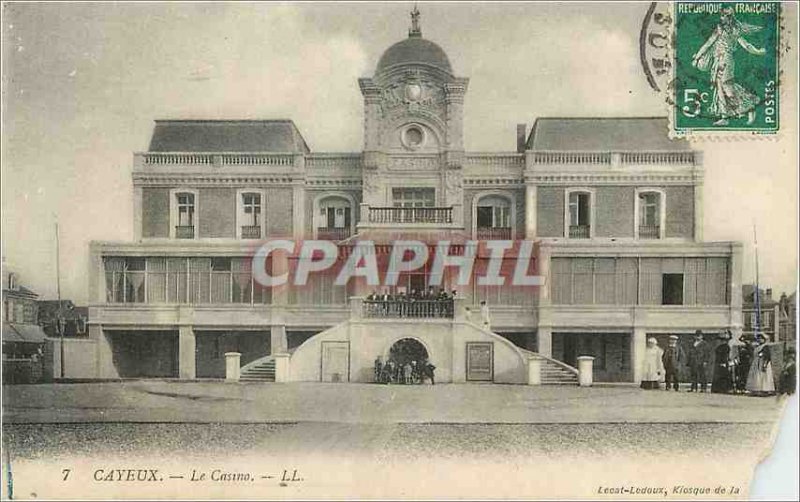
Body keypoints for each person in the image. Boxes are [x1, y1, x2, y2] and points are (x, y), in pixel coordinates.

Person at [691, 6, 766, 126]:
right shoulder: (719, 29)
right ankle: (724, 117)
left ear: (729, 17)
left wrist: (758, 51)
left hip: (726, 60)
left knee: (727, 87)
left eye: (724, 15)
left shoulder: (736, 29)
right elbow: (709, 43)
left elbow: (745, 44)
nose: (722, 18)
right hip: (717, 61)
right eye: (721, 15)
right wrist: (697, 57)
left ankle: (749, 107)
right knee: (719, 88)